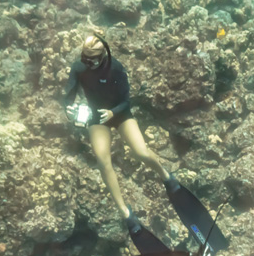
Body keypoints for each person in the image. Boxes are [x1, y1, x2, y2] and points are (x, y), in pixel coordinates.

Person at [63, 34, 173, 234]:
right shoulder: (78, 68)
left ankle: (165, 175)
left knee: (141, 152)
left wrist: (113, 112)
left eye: (93, 60)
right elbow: (68, 95)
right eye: (85, 59)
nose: (89, 64)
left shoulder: (116, 68)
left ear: (103, 56)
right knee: (103, 161)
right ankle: (125, 211)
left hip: (120, 113)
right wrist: (68, 109)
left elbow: (126, 100)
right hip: (97, 116)